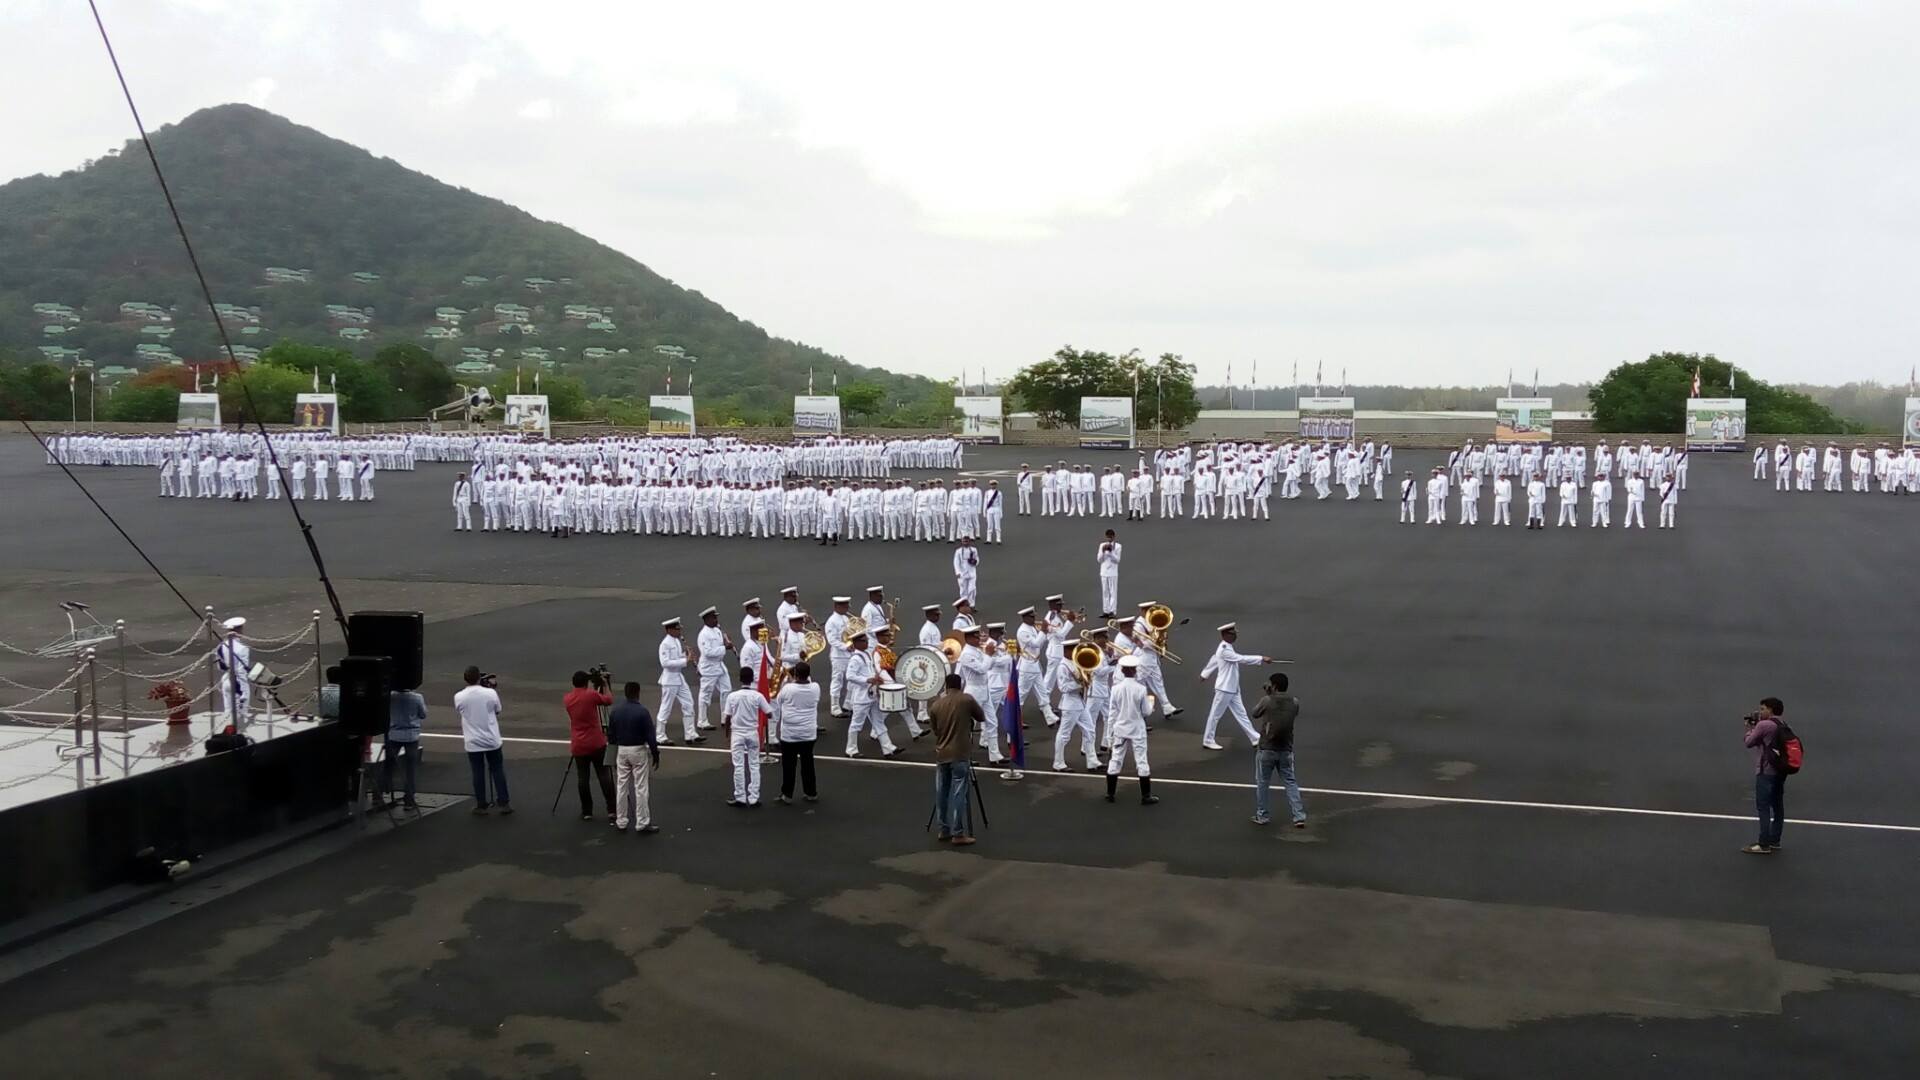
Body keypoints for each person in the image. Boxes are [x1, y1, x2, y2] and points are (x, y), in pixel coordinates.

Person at [1198, 623, 1273, 750]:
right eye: (1232, 634)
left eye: (1235, 634)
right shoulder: (1224, 649)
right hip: (1225, 688)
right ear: (1225, 635)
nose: (1235, 636)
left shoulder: (1226, 647)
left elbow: (1214, 659)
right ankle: (1208, 740)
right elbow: (1241, 659)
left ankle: (1255, 738)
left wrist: (1205, 674)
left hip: (1232, 688)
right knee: (1215, 715)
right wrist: (1261, 658)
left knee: (1241, 713)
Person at [929, 673, 983, 845]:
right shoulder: (966, 699)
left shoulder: (936, 704)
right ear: (960, 685)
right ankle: (958, 832)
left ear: (946, 686)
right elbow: (981, 716)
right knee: (959, 792)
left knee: (941, 792)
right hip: (960, 753)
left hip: (942, 753)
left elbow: (935, 730)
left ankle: (943, 829)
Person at [1250, 672, 1305, 827]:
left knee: (1262, 782)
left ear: (1273, 686)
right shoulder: (1294, 702)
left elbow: (1255, 713)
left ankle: (1262, 815)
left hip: (1267, 748)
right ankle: (1299, 815)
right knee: (1290, 782)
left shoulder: (1267, 700)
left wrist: (1268, 695)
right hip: (1286, 749)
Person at [455, 665, 511, 815]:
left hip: (473, 741)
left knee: (477, 772)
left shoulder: (459, 696)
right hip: (491, 738)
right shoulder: (490, 693)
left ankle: (481, 804)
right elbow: (498, 710)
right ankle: (504, 802)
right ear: (479, 678)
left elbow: (460, 710)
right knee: (497, 769)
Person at [563, 670, 616, 822]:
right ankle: (611, 809)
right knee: (604, 775)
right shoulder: (591, 695)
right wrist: (604, 685)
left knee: (583, 778)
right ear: (586, 683)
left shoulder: (567, 698)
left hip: (578, 744)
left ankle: (587, 811)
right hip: (595, 742)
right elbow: (608, 700)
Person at [608, 681, 659, 833]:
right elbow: (650, 736)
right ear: (638, 693)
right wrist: (656, 754)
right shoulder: (642, 711)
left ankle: (621, 820)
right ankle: (642, 822)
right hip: (638, 749)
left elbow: (611, 736)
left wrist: (612, 754)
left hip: (622, 749)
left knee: (622, 786)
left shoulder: (616, 711)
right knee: (641, 787)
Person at [1104, 657, 1157, 805]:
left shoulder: (1115, 689)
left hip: (1120, 729)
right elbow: (1146, 712)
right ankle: (1146, 796)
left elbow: (1112, 714)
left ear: (1121, 670)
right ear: (1134, 670)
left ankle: (1110, 794)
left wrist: (1109, 735)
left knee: (1115, 760)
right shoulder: (1141, 689)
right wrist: (1151, 704)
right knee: (1141, 760)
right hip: (1137, 729)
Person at [1743, 698, 1789, 853]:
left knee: (1763, 807)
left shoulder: (1763, 725)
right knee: (1777, 807)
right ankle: (1775, 840)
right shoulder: (1783, 725)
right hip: (1780, 772)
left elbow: (1749, 742)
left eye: (1763, 709)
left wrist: (1750, 728)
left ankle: (1763, 844)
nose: (1760, 712)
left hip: (1766, 771)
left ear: (1770, 710)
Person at [774, 660, 822, 803]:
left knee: (789, 766)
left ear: (795, 675)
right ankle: (811, 792)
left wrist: (788, 681)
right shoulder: (815, 687)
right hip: (808, 733)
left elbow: (778, 700)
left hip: (790, 734)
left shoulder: (788, 689)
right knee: (808, 764)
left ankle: (787, 795)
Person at [723, 666, 770, 807]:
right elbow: (769, 713)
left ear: (740, 679)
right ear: (752, 679)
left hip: (737, 733)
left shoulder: (732, 696)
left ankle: (740, 797)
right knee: (754, 764)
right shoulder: (757, 696)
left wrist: (727, 733)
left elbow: (727, 717)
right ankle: (754, 797)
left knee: (738, 766)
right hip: (752, 732)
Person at [381, 686, 426, 810]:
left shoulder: (390, 696)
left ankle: (380, 792)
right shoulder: (417, 697)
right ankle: (409, 800)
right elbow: (423, 714)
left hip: (394, 734)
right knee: (410, 769)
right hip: (411, 735)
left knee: (388, 764)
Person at [656, 617, 699, 745]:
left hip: (679, 678)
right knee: (666, 707)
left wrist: (685, 655)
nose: (679, 631)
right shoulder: (665, 644)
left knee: (689, 703)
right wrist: (685, 660)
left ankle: (690, 733)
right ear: (669, 630)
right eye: (676, 629)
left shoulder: (676, 641)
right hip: (669, 679)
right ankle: (660, 736)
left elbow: (676, 657)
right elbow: (665, 663)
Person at [1096, 529, 1122, 618]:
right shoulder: (1102, 545)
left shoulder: (1118, 546)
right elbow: (1099, 560)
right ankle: (1106, 611)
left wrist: (1111, 553)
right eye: (1108, 537)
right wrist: (1103, 551)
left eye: (1111, 537)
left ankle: (1112, 611)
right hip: (1103, 572)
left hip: (1113, 573)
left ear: (1114, 537)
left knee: (1113, 592)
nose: (1109, 539)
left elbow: (1117, 560)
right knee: (1105, 592)